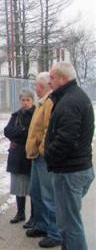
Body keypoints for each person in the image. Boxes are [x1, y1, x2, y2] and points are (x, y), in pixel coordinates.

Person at [44, 62, 95, 250]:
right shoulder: (73, 96)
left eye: (52, 77)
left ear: (63, 79)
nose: (49, 82)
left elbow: (67, 139)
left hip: (70, 172)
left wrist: (48, 156)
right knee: (68, 221)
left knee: (70, 224)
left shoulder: (69, 101)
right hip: (76, 169)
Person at [25, 72, 62, 248]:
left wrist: (41, 149)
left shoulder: (49, 102)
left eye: (36, 86)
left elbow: (48, 129)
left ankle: (55, 233)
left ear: (43, 86)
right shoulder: (42, 102)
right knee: (36, 193)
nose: (35, 89)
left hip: (43, 156)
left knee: (48, 196)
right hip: (36, 156)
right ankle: (41, 225)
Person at [4, 89, 35, 225]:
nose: (25, 103)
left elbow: (33, 133)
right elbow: (7, 131)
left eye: (28, 100)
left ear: (32, 101)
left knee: (33, 188)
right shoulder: (16, 115)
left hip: (31, 155)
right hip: (17, 155)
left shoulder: (36, 114)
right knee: (18, 186)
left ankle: (34, 216)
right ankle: (20, 213)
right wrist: (22, 131)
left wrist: (19, 133)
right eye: (23, 100)